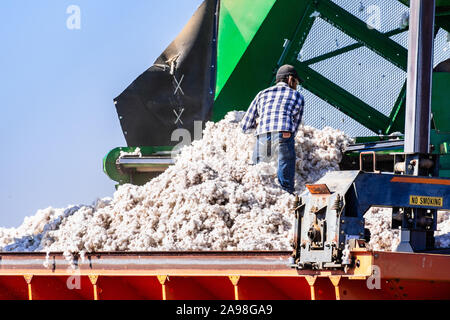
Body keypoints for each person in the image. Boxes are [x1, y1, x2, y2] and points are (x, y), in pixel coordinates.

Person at [241, 65, 305, 194]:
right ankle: (286, 194)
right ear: (290, 79)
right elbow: (296, 125)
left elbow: (245, 124)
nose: (296, 85)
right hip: (285, 134)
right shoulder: (297, 96)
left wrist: (258, 127)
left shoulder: (262, 94)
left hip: (263, 135)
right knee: (285, 162)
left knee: (258, 171)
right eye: (296, 82)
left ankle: (255, 195)